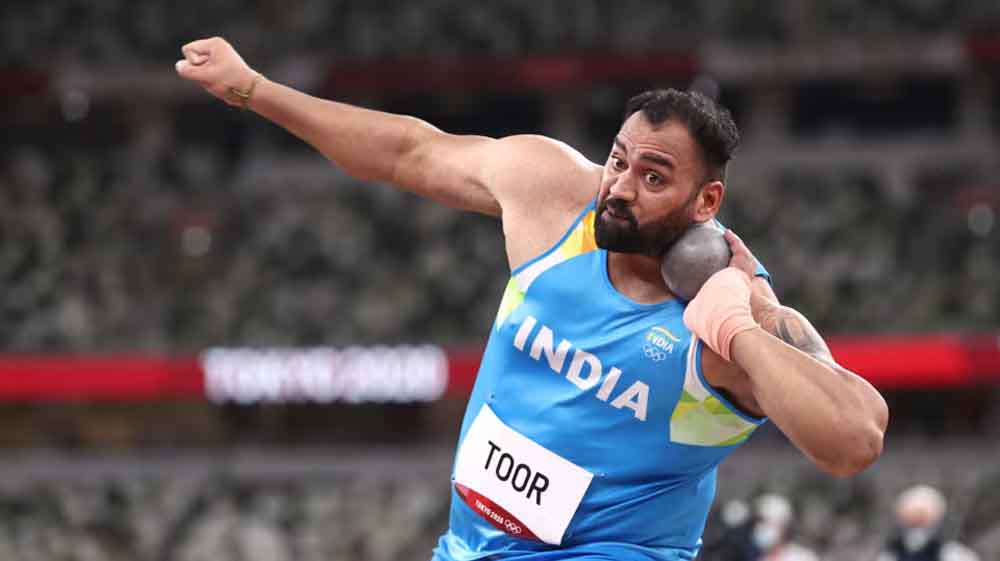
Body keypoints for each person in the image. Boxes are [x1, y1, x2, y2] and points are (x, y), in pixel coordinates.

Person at [176, 37, 889, 561]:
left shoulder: (736, 312)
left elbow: (856, 438)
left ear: (707, 201)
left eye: (653, 178)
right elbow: (407, 151)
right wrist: (253, 88)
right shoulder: (555, 201)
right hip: (469, 547)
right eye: (619, 160)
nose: (619, 186)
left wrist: (739, 330)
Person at [877, 485, 981, 561]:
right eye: (911, 516)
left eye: (922, 516)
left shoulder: (953, 554)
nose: (916, 521)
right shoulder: (890, 555)